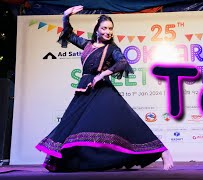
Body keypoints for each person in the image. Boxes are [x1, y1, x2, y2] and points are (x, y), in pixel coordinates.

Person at [35, 5, 174, 172]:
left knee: (129, 120)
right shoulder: (87, 44)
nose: (108, 31)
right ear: (97, 29)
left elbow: (122, 63)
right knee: (71, 123)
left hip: (103, 90)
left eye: (110, 29)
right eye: (104, 28)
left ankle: (163, 151)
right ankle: (68, 160)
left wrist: (102, 75)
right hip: (85, 90)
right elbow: (69, 35)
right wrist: (65, 16)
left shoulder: (112, 49)